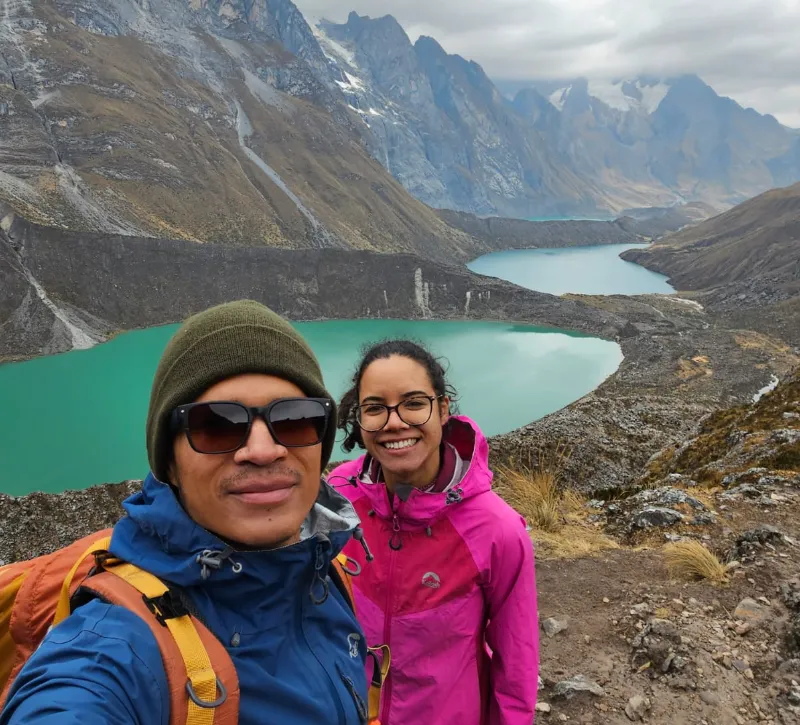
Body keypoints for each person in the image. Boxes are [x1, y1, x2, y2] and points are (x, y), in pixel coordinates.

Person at [1, 300, 371, 724]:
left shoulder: (327, 572)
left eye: (296, 419)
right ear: (170, 465)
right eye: (216, 425)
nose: (264, 450)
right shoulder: (112, 647)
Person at [327, 339, 539, 725]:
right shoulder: (339, 493)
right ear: (359, 420)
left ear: (442, 409)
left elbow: (517, 668)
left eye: (413, 403)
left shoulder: (497, 530)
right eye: (375, 408)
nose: (395, 422)